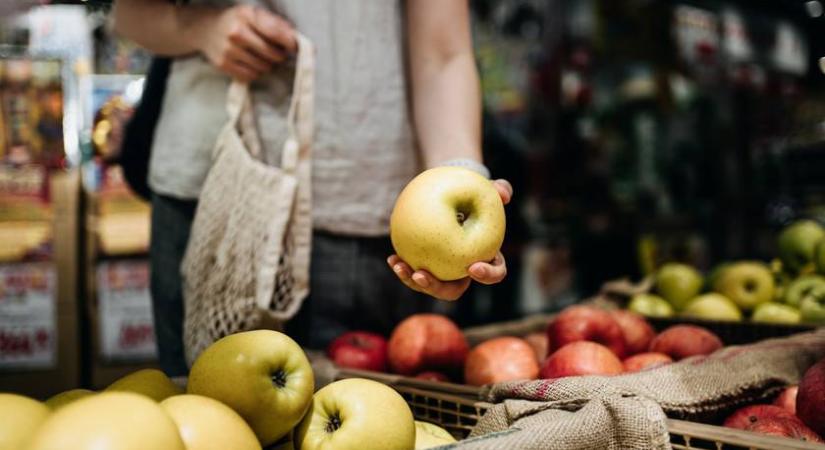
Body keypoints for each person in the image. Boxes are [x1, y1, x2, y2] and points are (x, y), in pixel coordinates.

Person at [112, 0, 512, 377]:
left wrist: (462, 175)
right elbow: (129, 13)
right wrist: (203, 29)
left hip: (366, 217)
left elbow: (443, 55)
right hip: (211, 207)